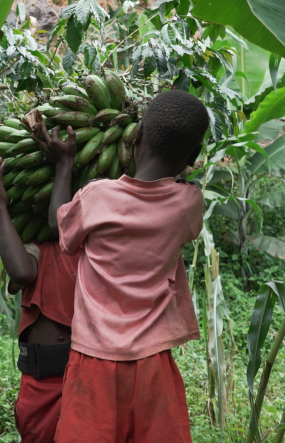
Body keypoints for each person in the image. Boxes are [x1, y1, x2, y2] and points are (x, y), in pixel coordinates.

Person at [33, 90, 208, 443]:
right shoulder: (189, 203)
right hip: (153, 362)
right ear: (193, 157)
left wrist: (65, 163)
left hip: (93, 361)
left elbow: (58, 227)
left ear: (137, 135)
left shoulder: (97, 196)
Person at [0, 156, 80, 443]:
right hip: (42, 381)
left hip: (85, 375)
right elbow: (21, 272)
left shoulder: (93, 246)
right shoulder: (37, 248)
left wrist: (65, 163)